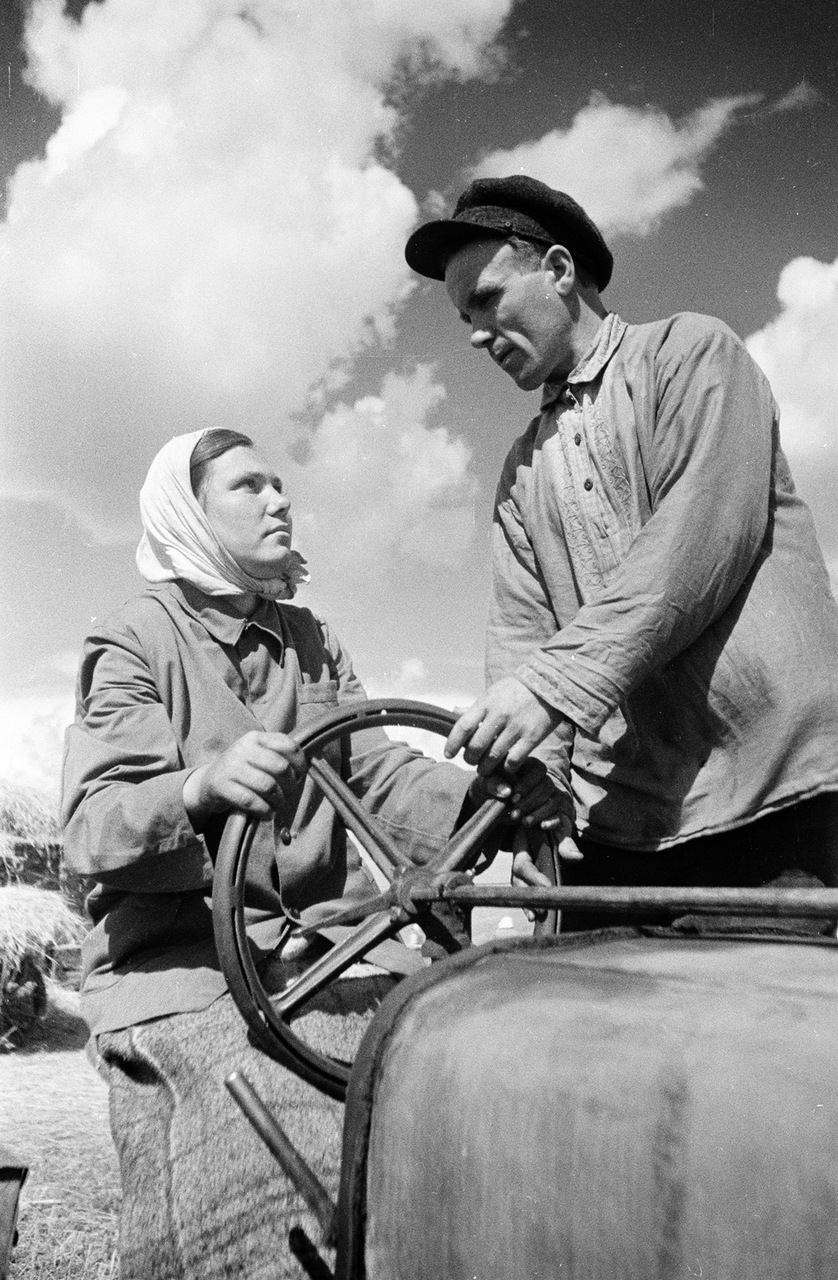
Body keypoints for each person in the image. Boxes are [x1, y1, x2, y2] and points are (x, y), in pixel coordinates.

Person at [61, 427, 563, 1280]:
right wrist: (200, 788)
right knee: (278, 1173)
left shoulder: (312, 638)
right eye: (248, 487)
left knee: (480, 1101)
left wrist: (489, 805)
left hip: (337, 945)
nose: (279, 500)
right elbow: (93, 824)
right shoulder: (135, 640)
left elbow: (380, 775)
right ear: (189, 514)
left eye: (280, 484)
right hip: (187, 967)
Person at [404, 174, 838, 918]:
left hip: (779, 791)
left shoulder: (691, 354)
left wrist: (549, 688)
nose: (475, 333)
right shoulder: (521, 470)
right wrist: (538, 784)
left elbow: (698, 540)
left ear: (559, 270)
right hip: (625, 826)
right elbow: (522, 634)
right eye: (464, 316)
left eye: (488, 298)